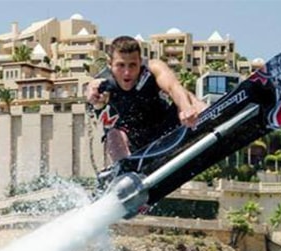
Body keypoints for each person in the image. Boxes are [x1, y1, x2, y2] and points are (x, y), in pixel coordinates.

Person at [86, 35, 207, 164]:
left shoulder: (153, 68)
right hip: (136, 143)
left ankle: (211, 117)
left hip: (166, 126)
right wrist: (94, 97)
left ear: (140, 61)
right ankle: (124, 169)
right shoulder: (103, 84)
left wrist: (187, 109)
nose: (127, 72)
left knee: (186, 95)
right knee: (112, 135)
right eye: (121, 65)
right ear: (110, 65)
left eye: (132, 65)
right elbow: (91, 90)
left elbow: (173, 87)